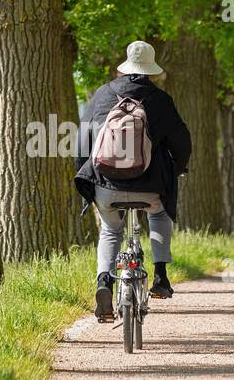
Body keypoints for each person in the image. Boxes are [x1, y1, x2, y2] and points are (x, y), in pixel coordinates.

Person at [75, 40, 192, 321]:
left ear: (125, 67)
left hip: (106, 185)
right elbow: (181, 141)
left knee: (110, 231)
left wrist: (84, 174)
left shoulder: (103, 95)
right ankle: (161, 276)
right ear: (150, 70)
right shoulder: (161, 100)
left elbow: (82, 141)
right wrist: (179, 167)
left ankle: (104, 281)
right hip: (150, 187)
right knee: (159, 214)